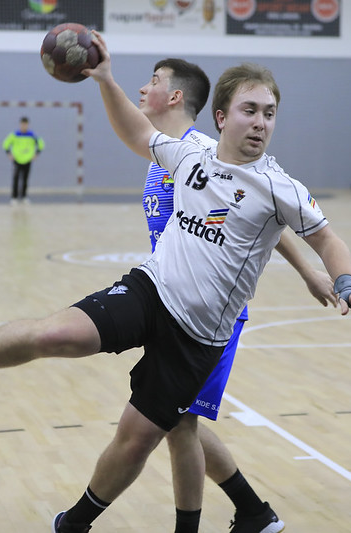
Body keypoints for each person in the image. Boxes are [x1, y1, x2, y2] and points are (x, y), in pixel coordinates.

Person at [0, 32, 351, 533]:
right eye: (250, 110)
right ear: (222, 117)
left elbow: (325, 238)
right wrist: (104, 79)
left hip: (200, 334)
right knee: (57, 334)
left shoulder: (279, 187)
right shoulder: (189, 156)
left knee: (150, 434)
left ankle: (82, 523)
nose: (260, 122)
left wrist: (345, 283)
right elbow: (136, 132)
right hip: (151, 290)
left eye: (269, 113)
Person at [138, 57, 338, 533]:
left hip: (209, 313)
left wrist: (309, 271)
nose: (143, 89)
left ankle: (248, 513)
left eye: (153, 81)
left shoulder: (206, 149)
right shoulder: (164, 152)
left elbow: (265, 210)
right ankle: (253, 512)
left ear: (175, 96)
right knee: (175, 420)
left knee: (176, 421)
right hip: (172, 302)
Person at [2, 116, 44, 204]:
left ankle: (24, 197)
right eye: (22, 124)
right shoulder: (14, 135)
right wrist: (9, 153)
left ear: (28, 125)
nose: (24, 126)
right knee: (16, 178)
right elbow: (5, 144)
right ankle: (14, 197)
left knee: (25, 179)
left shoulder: (32, 135)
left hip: (27, 159)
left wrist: (37, 154)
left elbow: (41, 144)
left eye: (25, 124)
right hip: (17, 159)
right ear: (20, 124)